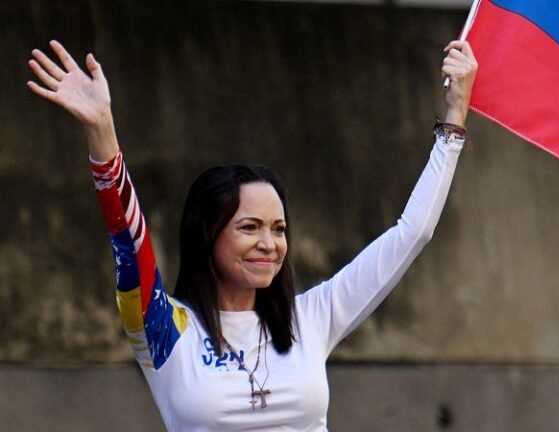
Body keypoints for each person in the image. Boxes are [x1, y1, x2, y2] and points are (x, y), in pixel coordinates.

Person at [27, 38, 477, 431]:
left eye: (279, 229)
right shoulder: (165, 328)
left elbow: (412, 233)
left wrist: (454, 117)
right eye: (249, 227)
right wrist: (102, 130)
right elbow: (129, 239)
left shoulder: (311, 318)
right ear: (209, 234)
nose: (269, 243)